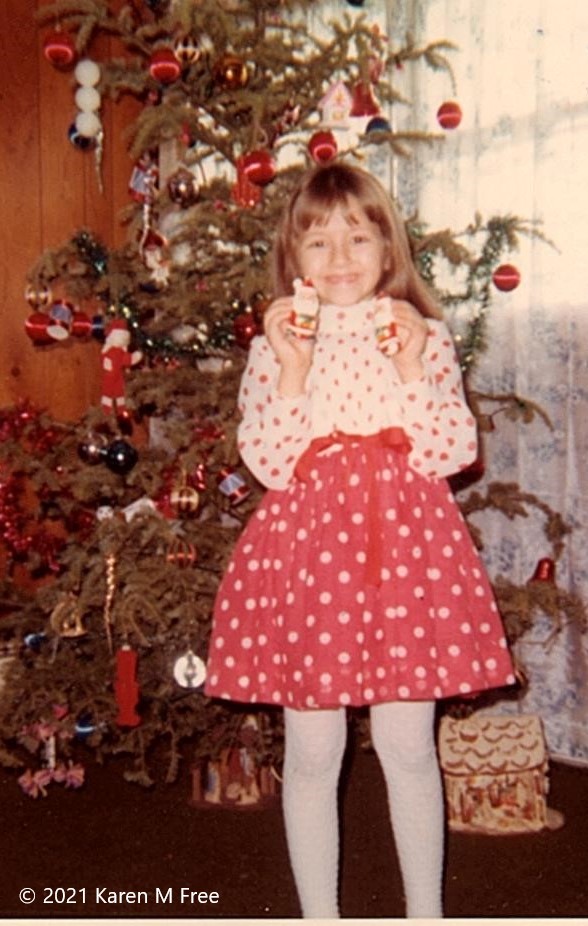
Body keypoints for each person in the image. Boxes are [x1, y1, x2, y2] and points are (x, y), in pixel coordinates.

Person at [205, 162, 516, 918]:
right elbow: (271, 462)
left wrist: (410, 366)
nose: (340, 258)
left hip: (405, 553)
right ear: (294, 257)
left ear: (387, 250)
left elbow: (451, 450)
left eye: (358, 238)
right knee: (314, 751)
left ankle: (425, 914)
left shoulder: (425, 336)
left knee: (408, 746)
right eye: (318, 242)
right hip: (310, 562)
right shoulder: (276, 346)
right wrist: (293, 368)